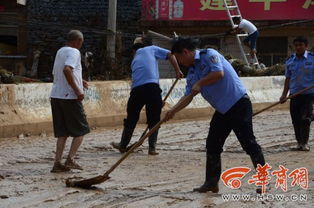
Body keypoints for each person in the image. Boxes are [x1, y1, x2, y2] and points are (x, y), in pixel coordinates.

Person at [165, 38, 265, 193]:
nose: (180, 63)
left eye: (179, 59)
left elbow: (218, 73)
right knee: (212, 144)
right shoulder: (191, 73)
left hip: (238, 104)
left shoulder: (209, 55)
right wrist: (173, 111)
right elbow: (188, 96)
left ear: (185, 52)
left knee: (249, 143)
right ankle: (211, 182)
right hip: (222, 111)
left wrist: (201, 83)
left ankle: (263, 181)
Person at [111, 36, 183, 155]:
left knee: (131, 118)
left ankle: (123, 145)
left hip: (137, 90)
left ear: (134, 50)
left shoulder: (135, 60)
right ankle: (152, 148)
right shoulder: (151, 49)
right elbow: (171, 54)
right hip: (152, 89)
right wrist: (177, 70)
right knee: (154, 119)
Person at [50, 30, 90, 172]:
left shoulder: (60, 51)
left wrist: (81, 81)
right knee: (81, 130)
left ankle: (57, 163)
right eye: (81, 43)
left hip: (56, 95)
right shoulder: (74, 52)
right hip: (69, 97)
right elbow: (67, 70)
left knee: (63, 132)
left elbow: (62, 71)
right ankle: (70, 160)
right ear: (78, 41)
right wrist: (78, 90)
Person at [280, 36, 314, 151]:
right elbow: (288, 79)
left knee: (305, 120)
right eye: (296, 45)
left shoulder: (312, 59)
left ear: (306, 46)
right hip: (294, 95)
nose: (298, 47)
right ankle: (299, 142)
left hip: (309, 95)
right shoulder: (290, 61)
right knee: (296, 120)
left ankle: (305, 143)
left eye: (301, 45)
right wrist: (284, 95)